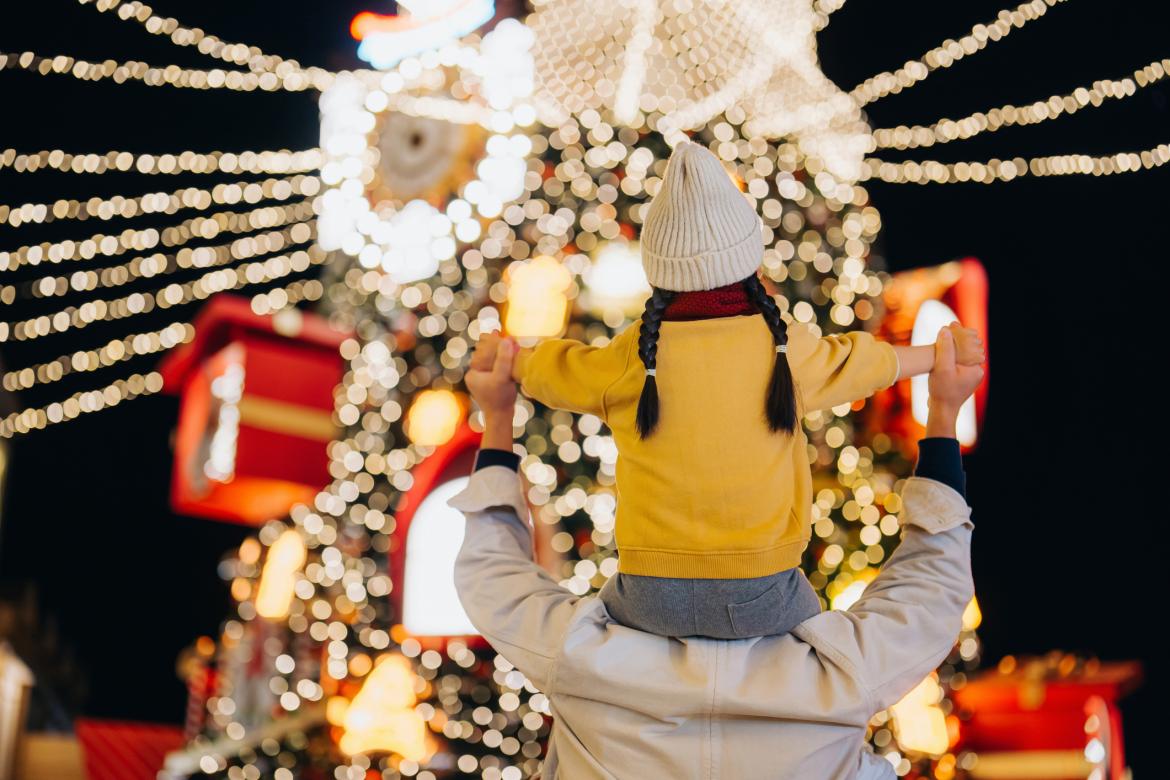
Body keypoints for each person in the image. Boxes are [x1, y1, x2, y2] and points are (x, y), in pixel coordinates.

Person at [472, 140, 984, 640]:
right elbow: (860, 360)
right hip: (765, 595)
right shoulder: (783, 348)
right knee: (817, 636)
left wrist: (510, 359)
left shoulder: (630, 357)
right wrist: (935, 357)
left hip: (647, 599)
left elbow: (560, 368)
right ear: (750, 263)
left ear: (658, 270)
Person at [452, 329, 982, 778]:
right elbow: (933, 581)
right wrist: (943, 410)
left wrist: (497, 419)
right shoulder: (841, 676)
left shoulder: (581, 659)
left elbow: (492, 572)